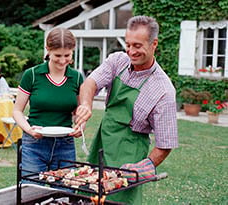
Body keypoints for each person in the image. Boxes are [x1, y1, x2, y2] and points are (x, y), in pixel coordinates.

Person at [74, 16, 178, 204]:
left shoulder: (163, 90)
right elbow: (90, 83)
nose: (131, 51)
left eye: (137, 46)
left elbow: (165, 144)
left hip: (130, 152)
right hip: (103, 141)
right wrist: (85, 105)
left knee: (118, 200)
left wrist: (140, 169)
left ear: (154, 43)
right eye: (128, 45)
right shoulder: (117, 61)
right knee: (89, 194)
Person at [13, 27, 84, 179]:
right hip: (34, 143)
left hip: (65, 144)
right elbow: (17, 111)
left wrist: (81, 125)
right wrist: (29, 130)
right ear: (48, 50)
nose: (63, 60)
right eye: (57, 55)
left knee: (64, 194)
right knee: (32, 193)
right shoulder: (31, 75)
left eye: (67, 55)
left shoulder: (77, 78)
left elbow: (79, 112)